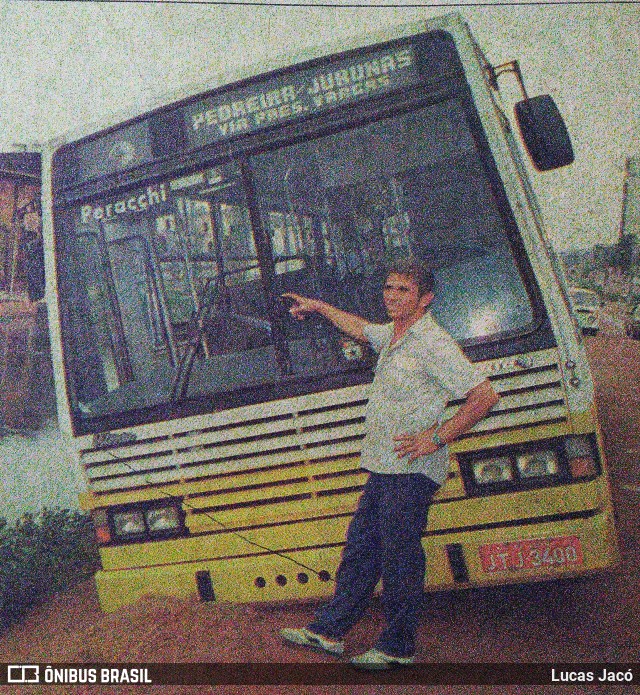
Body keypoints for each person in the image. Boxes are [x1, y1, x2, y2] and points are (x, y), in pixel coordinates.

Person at [279, 258, 499, 670]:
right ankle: (329, 631)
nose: (392, 296)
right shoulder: (397, 334)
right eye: (389, 288)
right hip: (385, 466)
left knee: (399, 557)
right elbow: (361, 328)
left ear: (425, 299)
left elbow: (484, 397)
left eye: (403, 291)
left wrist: (434, 438)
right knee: (362, 548)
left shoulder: (433, 343)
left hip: (412, 472)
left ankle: (398, 647)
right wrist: (321, 307)